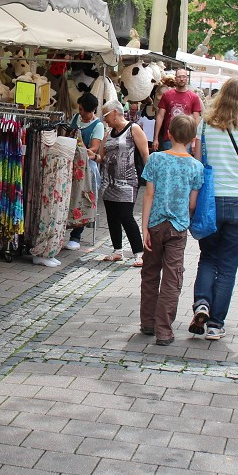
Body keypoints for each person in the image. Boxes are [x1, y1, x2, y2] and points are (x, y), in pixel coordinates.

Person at [190, 77, 238, 340]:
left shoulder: (205, 126)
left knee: (208, 257)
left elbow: (198, 165)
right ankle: (215, 324)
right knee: (228, 265)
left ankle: (201, 302)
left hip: (210, 200)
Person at [139, 115, 203, 345]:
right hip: (178, 227)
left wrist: (144, 227)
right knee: (172, 278)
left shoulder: (155, 159)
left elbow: (148, 194)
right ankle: (163, 329)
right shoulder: (196, 167)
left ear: (169, 134)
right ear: (192, 139)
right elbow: (192, 203)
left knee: (150, 273)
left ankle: (147, 322)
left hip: (155, 224)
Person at [97, 99, 150, 266]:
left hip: (127, 180)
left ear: (114, 113)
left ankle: (139, 253)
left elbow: (145, 153)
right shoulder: (108, 134)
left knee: (126, 216)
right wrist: (91, 156)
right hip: (108, 181)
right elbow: (102, 156)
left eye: (105, 115)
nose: (104, 119)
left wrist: (149, 179)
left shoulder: (133, 128)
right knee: (112, 216)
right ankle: (117, 251)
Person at [66, 93, 104, 250]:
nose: (80, 112)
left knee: (82, 199)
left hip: (86, 167)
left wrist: (79, 149)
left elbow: (94, 148)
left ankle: (76, 235)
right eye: (79, 109)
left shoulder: (98, 126)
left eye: (83, 110)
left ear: (92, 110)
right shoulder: (75, 119)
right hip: (71, 163)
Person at [152, 68, 202, 152]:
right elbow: (160, 116)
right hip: (169, 137)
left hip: (186, 138)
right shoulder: (166, 95)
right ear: (175, 78)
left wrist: (193, 139)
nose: (181, 79)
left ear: (187, 78)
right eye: (179, 77)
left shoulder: (194, 97)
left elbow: (196, 120)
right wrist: (155, 138)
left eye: (184, 76)